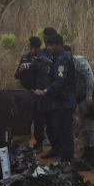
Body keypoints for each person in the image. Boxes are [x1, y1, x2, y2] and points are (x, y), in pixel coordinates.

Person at [34, 34, 76, 164]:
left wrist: (45, 91)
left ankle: (67, 158)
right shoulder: (58, 57)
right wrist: (49, 64)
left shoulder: (62, 58)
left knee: (64, 130)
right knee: (57, 128)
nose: (49, 48)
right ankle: (61, 153)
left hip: (64, 101)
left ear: (59, 44)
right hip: (60, 101)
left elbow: (60, 81)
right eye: (48, 45)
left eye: (51, 45)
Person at [15, 36, 46, 151]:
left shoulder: (42, 58)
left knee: (38, 120)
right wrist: (21, 70)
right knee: (25, 118)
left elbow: (44, 76)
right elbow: (16, 75)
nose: (32, 50)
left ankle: (39, 144)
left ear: (38, 48)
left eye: (35, 48)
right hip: (26, 93)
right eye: (31, 48)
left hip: (38, 92)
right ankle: (26, 143)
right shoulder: (24, 58)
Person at [72, 51, 94, 167]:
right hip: (79, 100)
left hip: (90, 98)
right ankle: (87, 154)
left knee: (91, 127)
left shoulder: (79, 61)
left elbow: (89, 77)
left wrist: (89, 95)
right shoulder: (65, 64)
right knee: (84, 128)